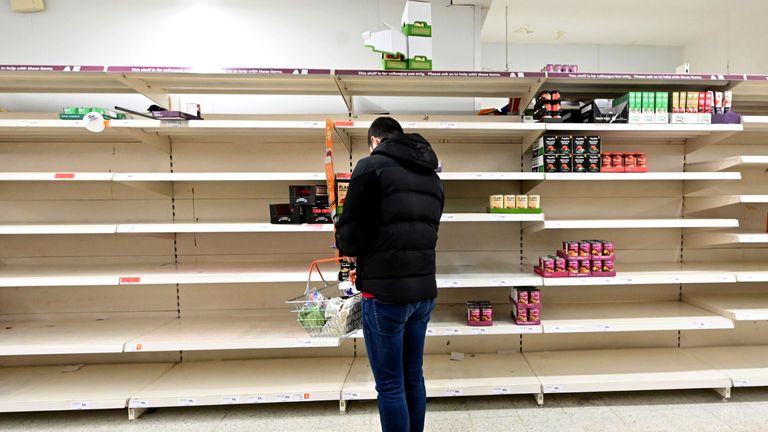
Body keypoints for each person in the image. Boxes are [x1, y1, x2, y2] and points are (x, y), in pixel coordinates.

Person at [335, 117, 444, 432]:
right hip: (424, 291)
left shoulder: (370, 167)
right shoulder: (432, 177)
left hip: (384, 295)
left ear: (375, 141)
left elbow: (351, 239)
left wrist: (342, 232)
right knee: (413, 375)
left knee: (390, 384)